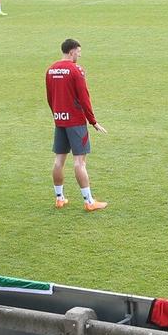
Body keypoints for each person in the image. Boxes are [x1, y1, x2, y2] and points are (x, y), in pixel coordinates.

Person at [45, 39, 106, 211]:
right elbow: (84, 97)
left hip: (60, 119)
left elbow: (50, 97)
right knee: (79, 162)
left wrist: (56, 115)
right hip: (76, 122)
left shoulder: (50, 70)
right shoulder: (76, 70)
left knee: (59, 160)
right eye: (78, 52)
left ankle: (59, 198)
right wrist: (92, 121)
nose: (80, 55)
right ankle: (89, 202)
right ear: (72, 52)